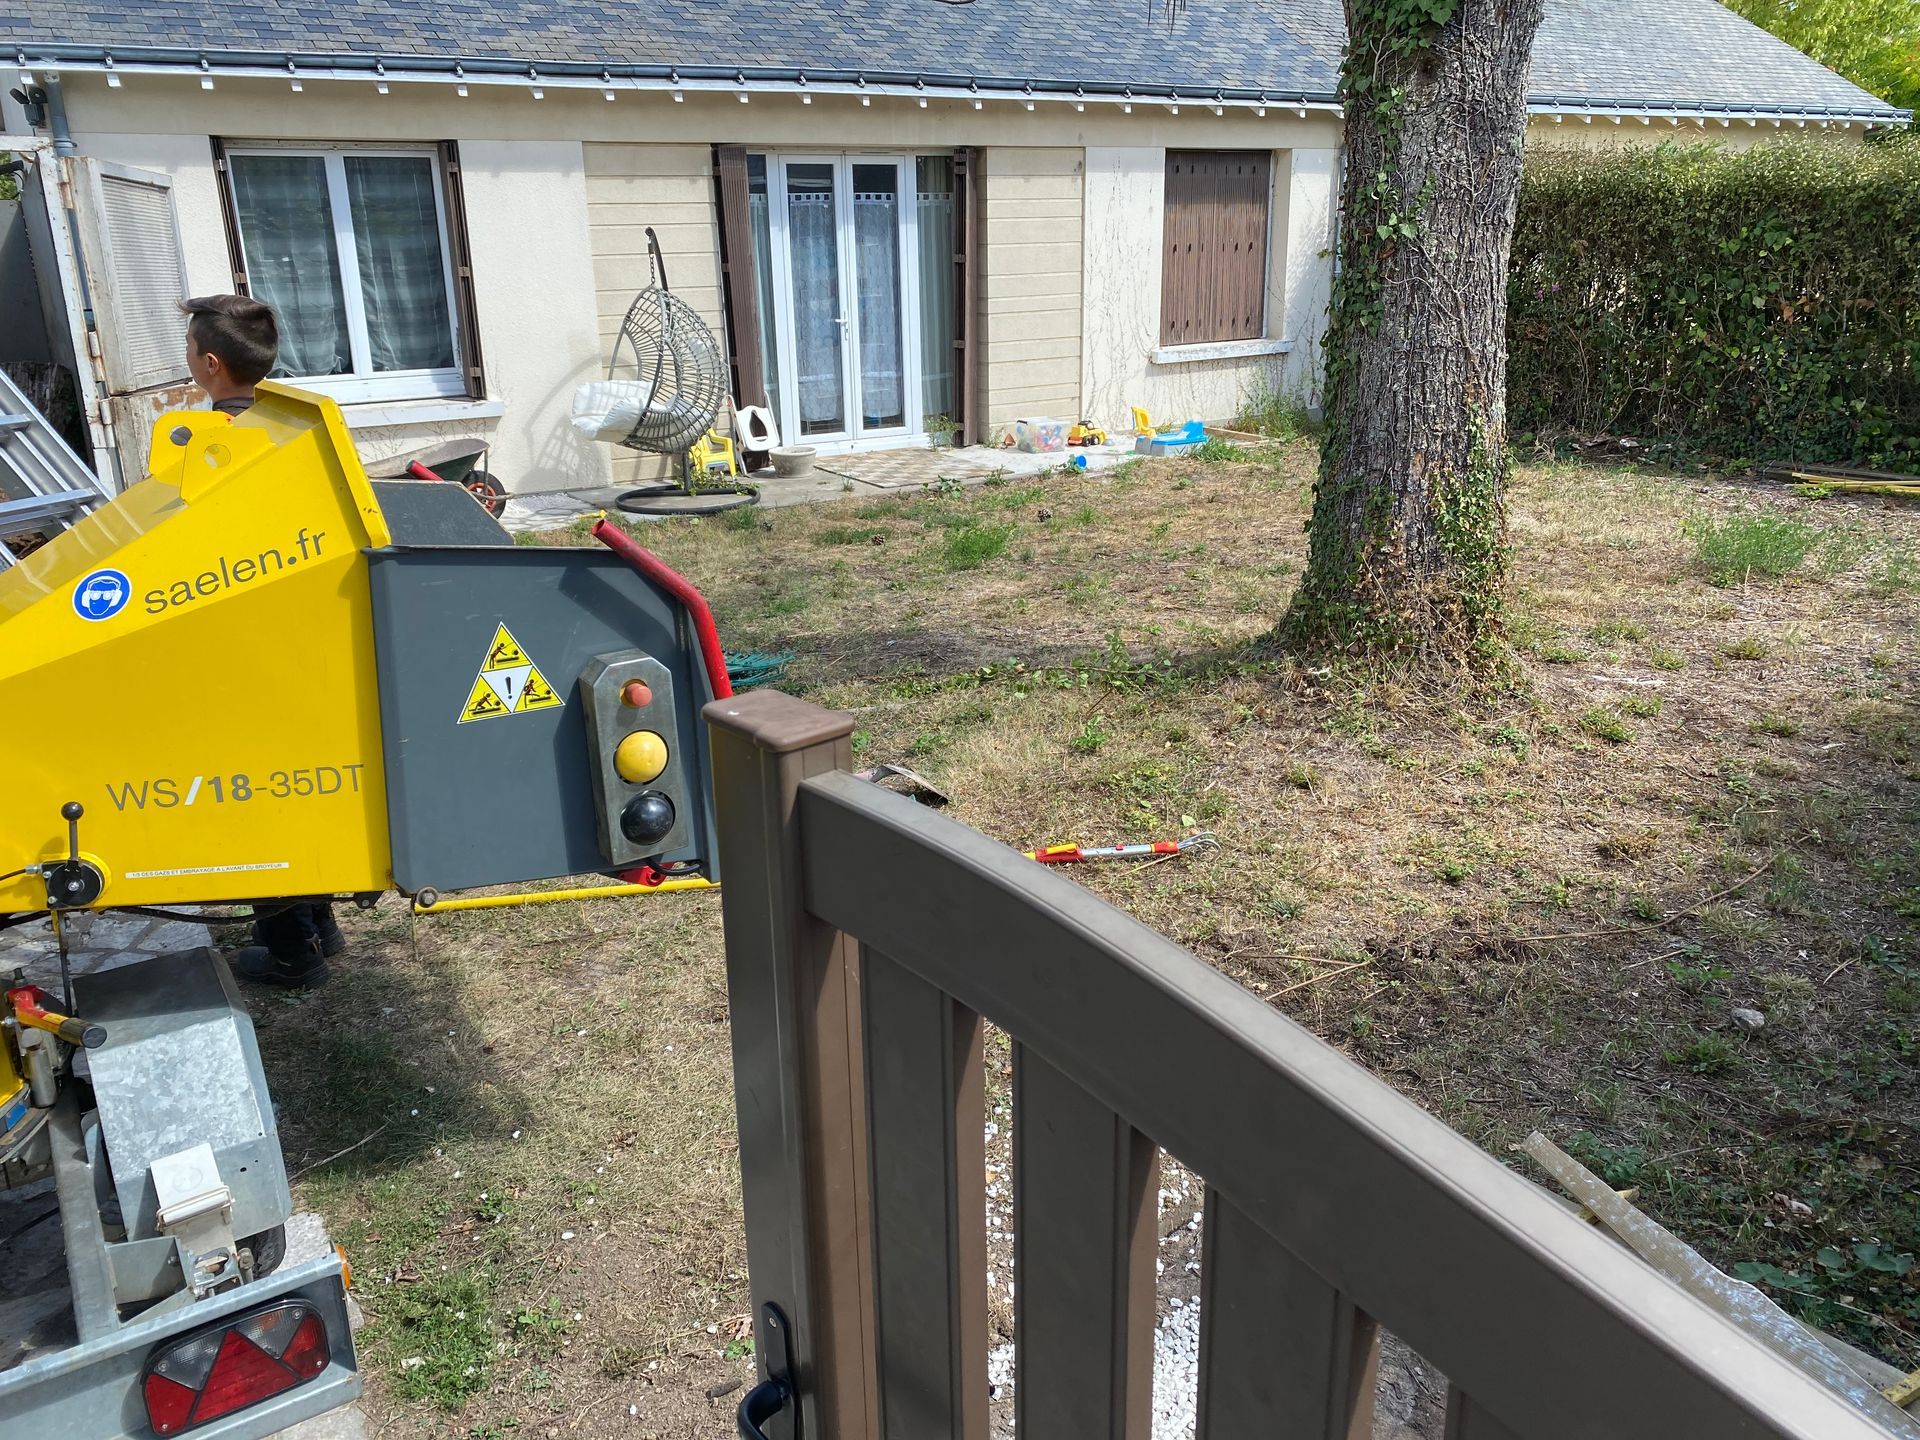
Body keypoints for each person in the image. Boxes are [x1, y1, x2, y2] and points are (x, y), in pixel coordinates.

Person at [180, 295, 344, 987]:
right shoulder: (296, 425)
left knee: (257, 800)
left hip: (242, 648)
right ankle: (322, 923)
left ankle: (289, 951)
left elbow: (188, 550)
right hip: (307, 640)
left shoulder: (208, 443)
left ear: (210, 364)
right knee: (303, 784)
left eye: (189, 350)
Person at [180, 294, 279, 417]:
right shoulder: (291, 421)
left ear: (211, 363)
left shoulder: (195, 435)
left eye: (188, 343)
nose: (186, 349)